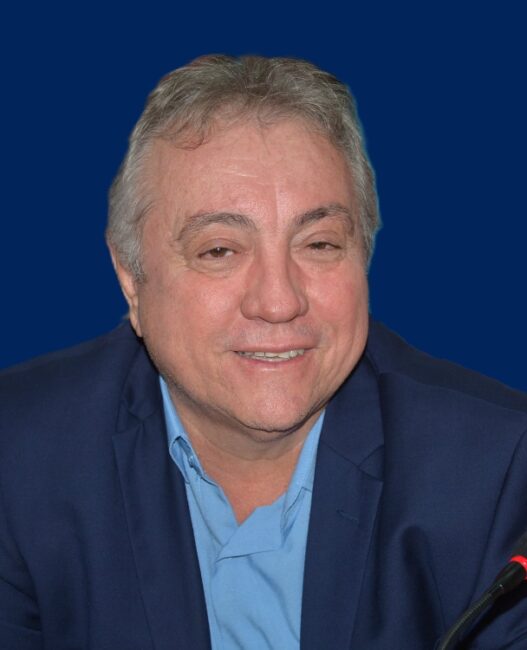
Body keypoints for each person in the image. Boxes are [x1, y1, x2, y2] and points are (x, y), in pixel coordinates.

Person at [0, 55, 526, 650]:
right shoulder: (18, 458)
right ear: (132, 280)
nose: (279, 302)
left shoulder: (501, 469)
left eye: (319, 243)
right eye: (220, 250)